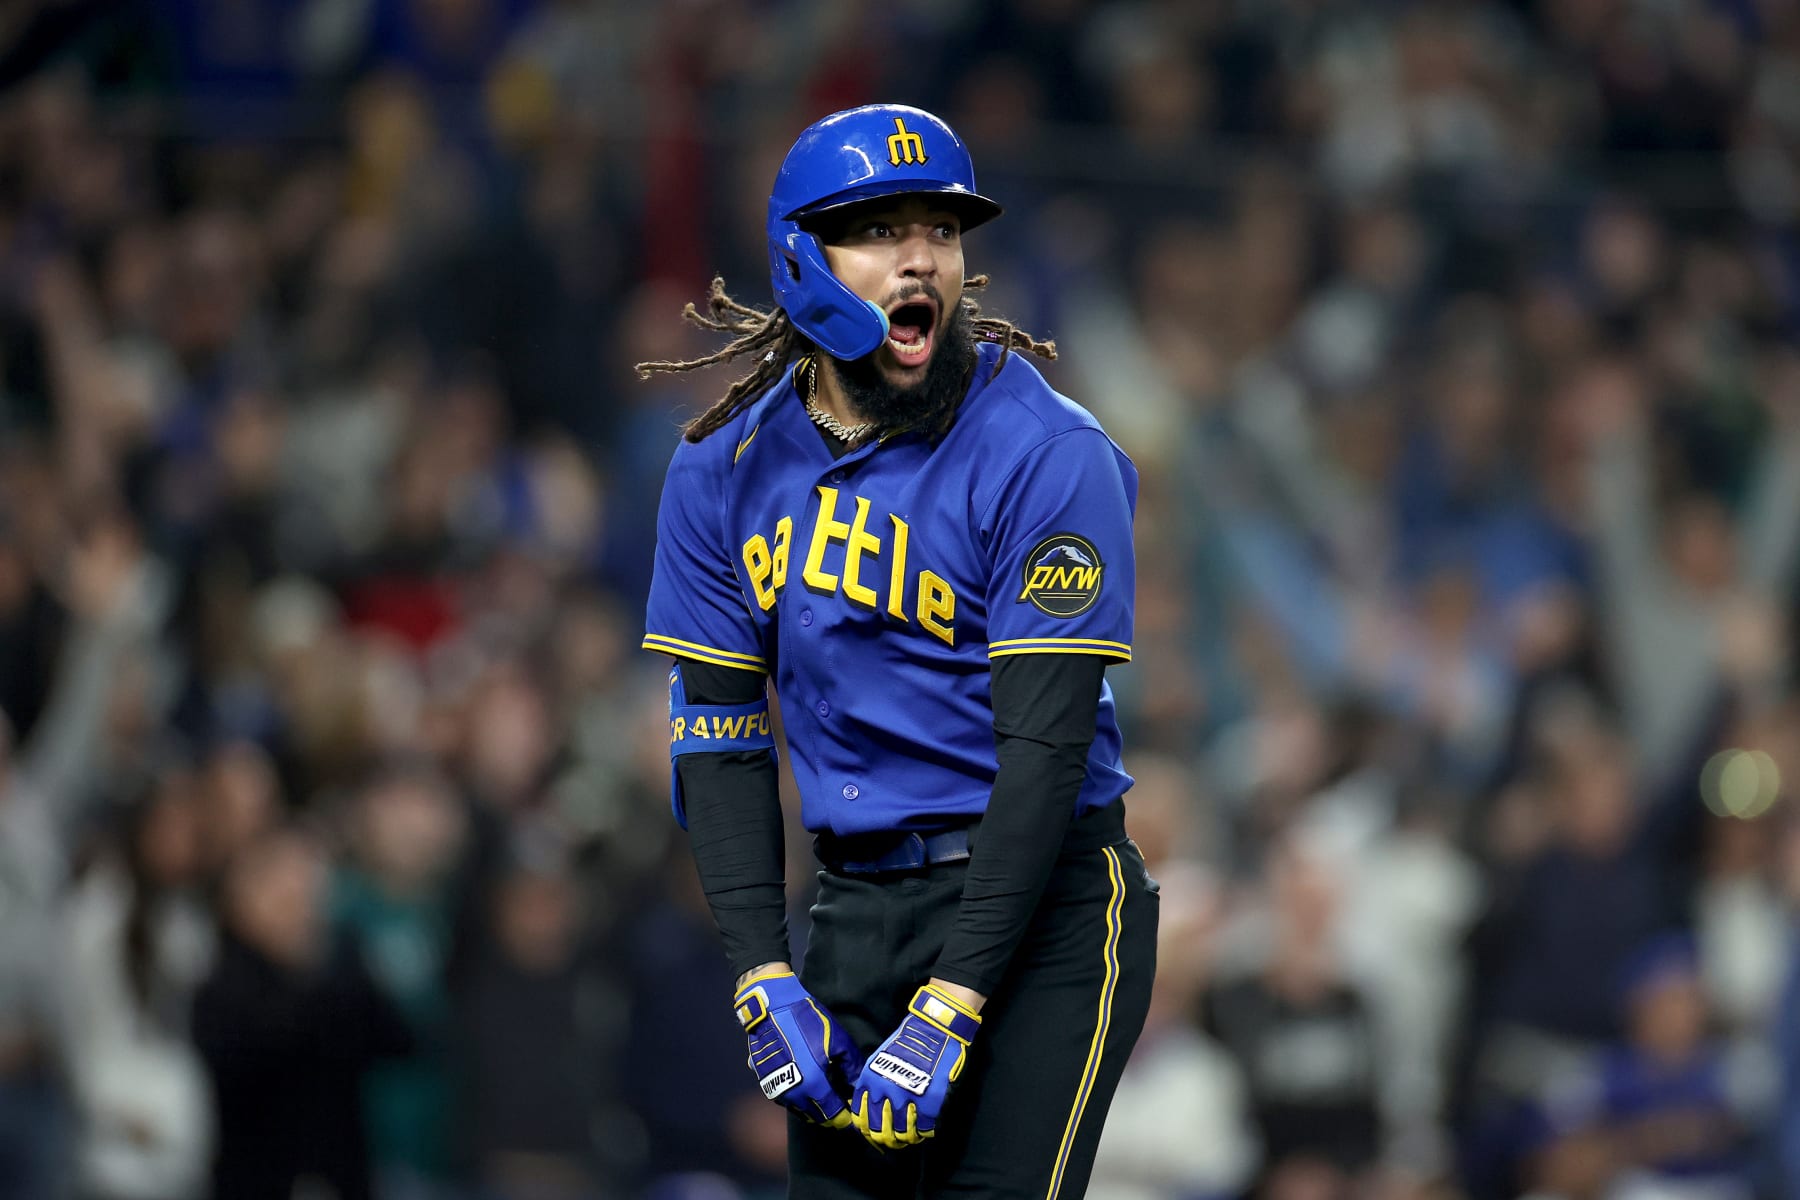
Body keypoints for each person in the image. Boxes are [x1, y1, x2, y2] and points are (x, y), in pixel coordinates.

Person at [636, 103, 1158, 1197]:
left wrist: (954, 1000)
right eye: (879, 229)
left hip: (1046, 908)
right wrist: (761, 972)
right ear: (801, 258)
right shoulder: (720, 465)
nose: (921, 258)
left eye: (942, 230)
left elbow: (1044, 759)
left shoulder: (1050, 453)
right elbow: (720, 738)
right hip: (855, 907)